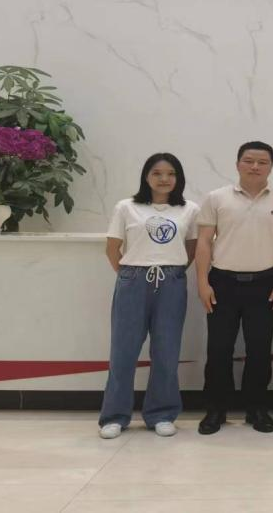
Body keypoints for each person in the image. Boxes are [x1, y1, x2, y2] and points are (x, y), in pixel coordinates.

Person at [195, 141, 273, 435]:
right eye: (249, 160)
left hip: (265, 284)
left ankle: (257, 409)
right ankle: (216, 410)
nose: (255, 166)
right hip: (222, 283)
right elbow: (203, 241)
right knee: (219, 349)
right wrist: (202, 283)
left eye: (262, 162)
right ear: (238, 164)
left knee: (260, 350)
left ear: (271, 166)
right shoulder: (216, 198)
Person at [98, 153, 199, 439]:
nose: (164, 179)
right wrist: (130, 274)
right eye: (157, 173)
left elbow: (192, 249)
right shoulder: (127, 207)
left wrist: (171, 272)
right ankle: (114, 416)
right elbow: (112, 248)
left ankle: (162, 414)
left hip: (172, 282)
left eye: (171, 173)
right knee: (123, 351)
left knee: (167, 351)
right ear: (146, 176)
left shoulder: (189, 209)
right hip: (133, 280)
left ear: (178, 178)